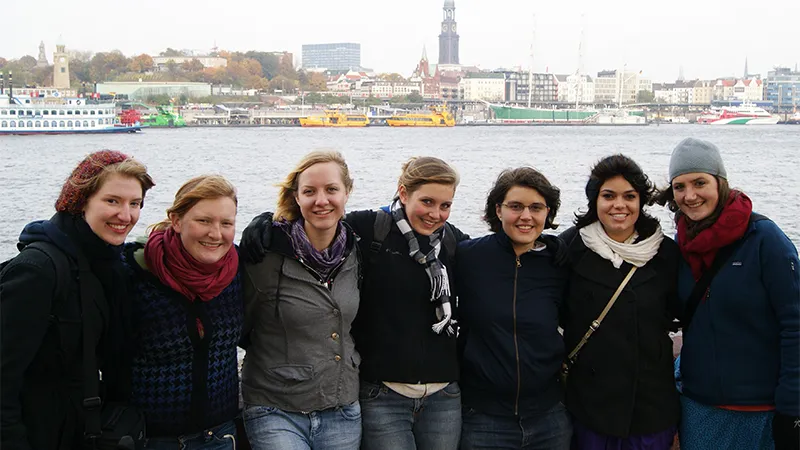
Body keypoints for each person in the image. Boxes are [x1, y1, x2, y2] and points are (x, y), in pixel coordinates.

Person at [239, 156, 468, 450]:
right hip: (383, 395)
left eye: (445, 205)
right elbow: (318, 221)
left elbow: (498, 253)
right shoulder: (370, 229)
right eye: (427, 201)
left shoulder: (453, 244)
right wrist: (263, 223)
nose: (435, 213)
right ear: (403, 193)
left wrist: (547, 246)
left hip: (443, 396)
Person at [1, 150, 154, 450]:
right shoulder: (39, 271)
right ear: (81, 201)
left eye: (135, 204)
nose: (126, 216)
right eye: (112, 201)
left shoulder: (111, 266)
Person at [658, 138, 799, 450]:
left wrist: (792, 406)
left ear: (720, 183)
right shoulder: (681, 246)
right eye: (679, 186)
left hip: (760, 408)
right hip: (699, 405)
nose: (690, 195)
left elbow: (795, 324)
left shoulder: (764, 240)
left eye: (699, 182)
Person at [240, 151, 362, 450]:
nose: (321, 200)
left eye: (331, 189)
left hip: (341, 407)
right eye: (310, 191)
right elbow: (240, 324)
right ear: (296, 197)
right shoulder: (264, 253)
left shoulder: (360, 250)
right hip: (275, 406)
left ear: (347, 192)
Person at [559, 155, 680, 449]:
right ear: (594, 200)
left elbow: (682, 314)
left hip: (650, 406)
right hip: (590, 406)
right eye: (608, 196)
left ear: (641, 201)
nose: (619, 205)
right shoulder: (570, 248)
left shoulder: (665, 253)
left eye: (630, 196)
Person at [121, 175, 242, 449]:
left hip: (219, 435)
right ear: (176, 221)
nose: (216, 233)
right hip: (149, 438)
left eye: (226, 223)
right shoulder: (132, 271)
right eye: (203, 221)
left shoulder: (237, 270)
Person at [456, 167, 572, 450]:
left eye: (536, 207)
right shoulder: (468, 257)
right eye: (515, 206)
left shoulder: (561, 262)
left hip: (549, 417)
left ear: (548, 213)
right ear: (498, 210)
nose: (526, 216)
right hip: (484, 418)